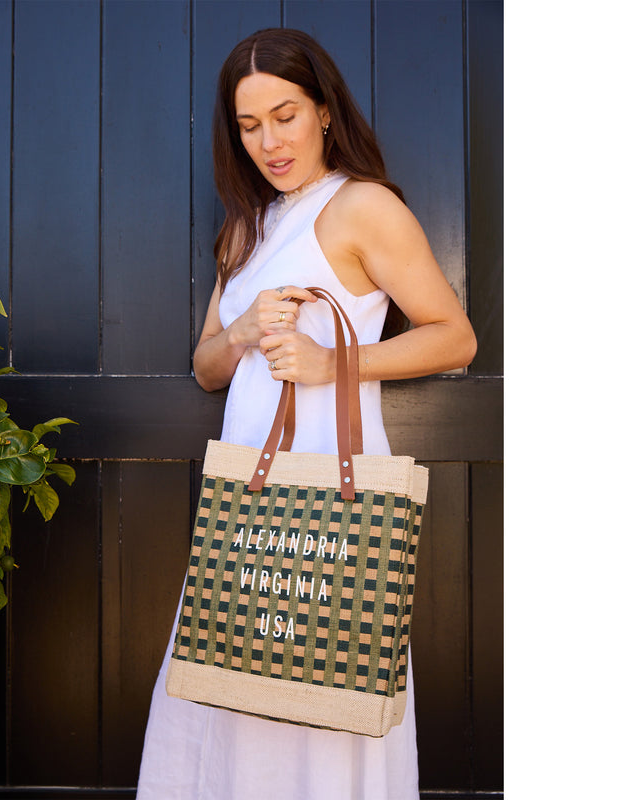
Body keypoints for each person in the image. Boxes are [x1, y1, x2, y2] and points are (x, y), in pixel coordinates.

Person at [136, 28, 476, 800]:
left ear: (325, 111)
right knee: (233, 671)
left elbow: (454, 336)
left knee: (328, 672)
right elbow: (205, 368)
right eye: (249, 126)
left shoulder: (363, 208)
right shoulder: (244, 229)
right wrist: (244, 330)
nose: (269, 141)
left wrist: (333, 364)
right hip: (248, 503)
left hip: (329, 493)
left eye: (285, 116)